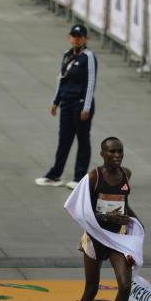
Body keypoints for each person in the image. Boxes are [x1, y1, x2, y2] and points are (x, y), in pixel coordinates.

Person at [76, 137, 140, 301]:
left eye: (120, 151)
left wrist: (137, 223)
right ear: (102, 154)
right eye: (112, 152)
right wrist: (106, 216)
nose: (117, 155)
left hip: (117, 239)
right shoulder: (93, 177)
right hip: (95, 238)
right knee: (92, 288)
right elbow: (81, 211)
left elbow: (124, 203)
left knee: (125, 285)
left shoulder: (126, 174)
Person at [35, 24, 98, 190]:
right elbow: (61, 79)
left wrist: (86, 106)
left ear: (85, 38)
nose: (76, 39)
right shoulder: (67, 55)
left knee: (83, 140)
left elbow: (91, 82)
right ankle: (56, 174)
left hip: (80, 104)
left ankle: (80, 176)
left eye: (79, 36)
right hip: (66, 103)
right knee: (64, 139)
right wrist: (55, 101)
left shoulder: (88, 57)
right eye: (73, 36)